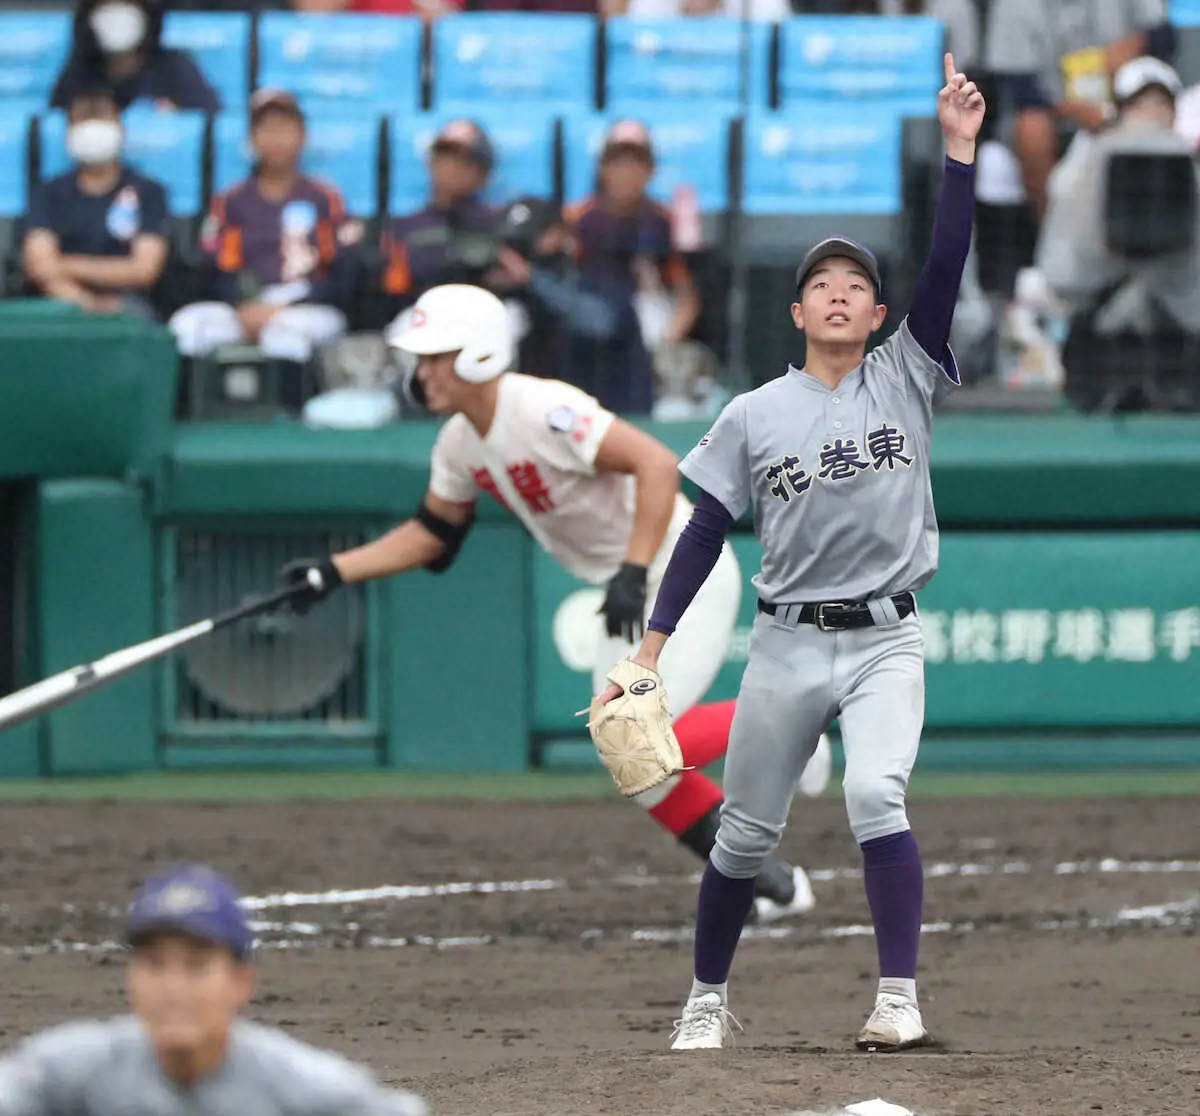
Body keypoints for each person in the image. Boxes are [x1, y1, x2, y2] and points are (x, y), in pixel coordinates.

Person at [599, 53, 983, 1052]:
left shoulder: (906, 375)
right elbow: (702, 528)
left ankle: (897, 996)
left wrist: (959, 154)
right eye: (824, 284)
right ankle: (705, 999)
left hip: (886, 640)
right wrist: (650, 651)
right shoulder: (753, 414)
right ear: (799, 312)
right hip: (787, 644)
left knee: (873, 792)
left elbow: (944, 267)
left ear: (878, 309)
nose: (844, 295)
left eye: (858, 283)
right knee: (742, 835)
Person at [279, 282, 833, 925]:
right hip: (625, 583)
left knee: (638, 737)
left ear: (479, 355)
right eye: (421, 358)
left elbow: (655, 464)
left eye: (436, 356)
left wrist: (631, 568)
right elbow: (434, 534)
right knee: (634, 764)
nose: (421, 372)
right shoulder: (460, 443)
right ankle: (773, 886)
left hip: (679, 568)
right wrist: (330, 572)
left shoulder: (541, 409)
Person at [0, 863, 428, 1116]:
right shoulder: (72, 1071)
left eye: (196, 966)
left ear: (242, 981)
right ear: (130, 978)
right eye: (154, 965)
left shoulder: (296, 1086)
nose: (173, 988)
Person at [1036, 56, 1200, 411]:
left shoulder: (1193, 169)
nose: (1151, 114)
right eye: (1140, 104)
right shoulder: (1079, 169)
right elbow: (1060, 272)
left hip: (1181, 350)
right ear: (1121, 110)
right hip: (1101, 345)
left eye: (1160, 104)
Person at [169, 89, 351, 370]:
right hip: (241, 307)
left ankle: (285, 412)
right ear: (252, 139)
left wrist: (283, 308)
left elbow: (344, 272)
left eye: (284, 128)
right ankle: (198, 410)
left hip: (304, 306)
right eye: (266, 128)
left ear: (303, 135)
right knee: (188, 325)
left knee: (285, 334)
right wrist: (243, 306)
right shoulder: (229, 200)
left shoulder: (326, 198)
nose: (275, 138)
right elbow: (210, 267)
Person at [984, 0, 1175, 219]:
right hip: (1054, 113)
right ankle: (1056, 235)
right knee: (1031, 129)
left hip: (1125, 106)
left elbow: (1167, 38)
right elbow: (1020, 92)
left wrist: (1140, 42)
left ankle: (1147, 237)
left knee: (1155, 109)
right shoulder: (1013, 5)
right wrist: (1073, 110)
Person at [565, 120, 700, 415]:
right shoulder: (576, 218)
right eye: (618, 161)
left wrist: (668, 341)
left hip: (642, 326)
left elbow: (685, 294)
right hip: (587, 325)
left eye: (637, 162)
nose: (627, 172)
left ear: (651, 170)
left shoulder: (662, 220)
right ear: (602, 167)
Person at [22, 85, 169, 320]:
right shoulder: (49, 192)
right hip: (61, 299)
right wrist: (86, 304)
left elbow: (144, 269)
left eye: (102, 120)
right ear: (68, 133)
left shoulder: (148, 191)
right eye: (83, 121)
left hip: (128, 305)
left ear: (121, 129)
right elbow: (39, 265)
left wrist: (67, 265)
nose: (92, 132)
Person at [382, 120, 501, 313]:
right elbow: (392, 293)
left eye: (462, 160)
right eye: (442, 156)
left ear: (483, 171)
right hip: (422, 314)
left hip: (485, 313)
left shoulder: (500, 223)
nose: (449, 167)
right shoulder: (406, 227)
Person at [51, 0, 220, 114]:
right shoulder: (80, 70)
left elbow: (210, 123)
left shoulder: (176, 68)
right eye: (107, 6)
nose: (117, 17)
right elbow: (57, 122)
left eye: (127, 4)